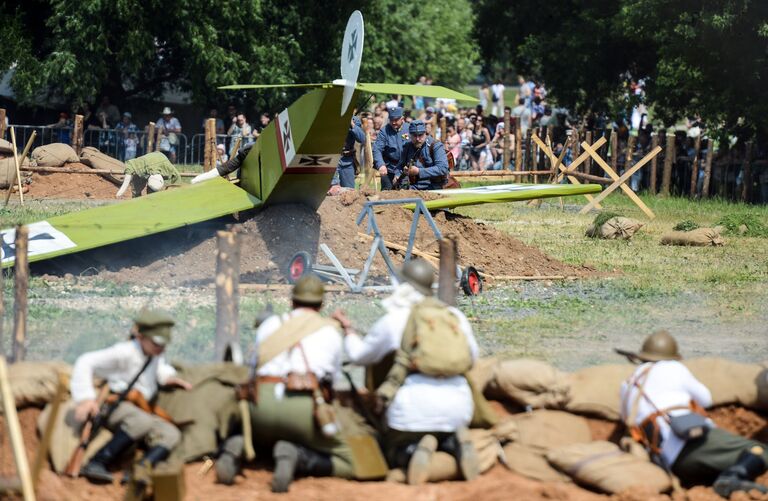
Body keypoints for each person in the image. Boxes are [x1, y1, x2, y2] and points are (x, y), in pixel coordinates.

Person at [338, 259, 480, 485]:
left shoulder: (393, 320)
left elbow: (358, 356)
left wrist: (348, 331)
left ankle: (413, 450)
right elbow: (473, 359)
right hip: (459, 408)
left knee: (391, 450)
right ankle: (452, 444)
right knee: (444, 429)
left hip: (411, 411)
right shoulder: (454, 316)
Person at [217, 275, 355, 492]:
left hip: (260, 403)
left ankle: (240, 445)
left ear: (292, 301)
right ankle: (298, 456)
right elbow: (333, 382)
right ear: (321, 304)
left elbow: (252, 369)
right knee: (349, 461)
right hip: (303, 406)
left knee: (261, 430)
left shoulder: (271, 324)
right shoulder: (330, 331)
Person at [618, 331, 768, 499]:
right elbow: (706, 399)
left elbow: (627, 420)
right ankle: (734, 478)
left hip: (669, 463)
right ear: (672, 355)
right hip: (690, 443)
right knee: (759, 450)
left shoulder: (628, 383)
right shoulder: (673, 367)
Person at [70, 308, 191, 484]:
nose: (161, 348)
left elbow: (159, 370)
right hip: (116, 406)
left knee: (171, 433)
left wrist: (169, 379)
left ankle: (141, 469)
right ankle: (97, 461)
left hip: (140, 409)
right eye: (157, 343)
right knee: (143, 421)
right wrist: (85, 399)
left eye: (164, 345)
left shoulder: (154, 354)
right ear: (141, 337)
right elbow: (86, 361)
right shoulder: (124, 352)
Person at [395, 120, 449, 190]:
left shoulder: (435, 146)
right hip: (413, 187)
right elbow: (400, 166)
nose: (417, 139)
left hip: (435, 187)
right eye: (414, 135)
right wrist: (397, 175)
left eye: (420, 135)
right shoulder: (407, 147)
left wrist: (419, 171)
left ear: (425, 133)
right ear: (410, 135)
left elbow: (442, 168)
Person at [373, 107, 409, 190]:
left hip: (405, 170)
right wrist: (381, 165)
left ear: (402, 118)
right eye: (391, 119)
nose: (393, 122)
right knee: (386, 195)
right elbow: (377, 149)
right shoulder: (384, 131)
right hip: (389, 169)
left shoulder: (409, 129)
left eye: (396, 120)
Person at [116, 151, 181, 197]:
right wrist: (118, 194)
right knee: (136, 192)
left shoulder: (167, 166)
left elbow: (177, 176)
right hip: (141, 169)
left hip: (153, 172)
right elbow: (130, 169)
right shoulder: (137, 165)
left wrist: (173, 190)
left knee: (151, 193)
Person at [335, 116, 366, 188]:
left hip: (346, 161)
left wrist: (352, 124)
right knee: (332, 190)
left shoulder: (354, 120)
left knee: (349, 190)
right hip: (331, 160)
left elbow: (362, 139)